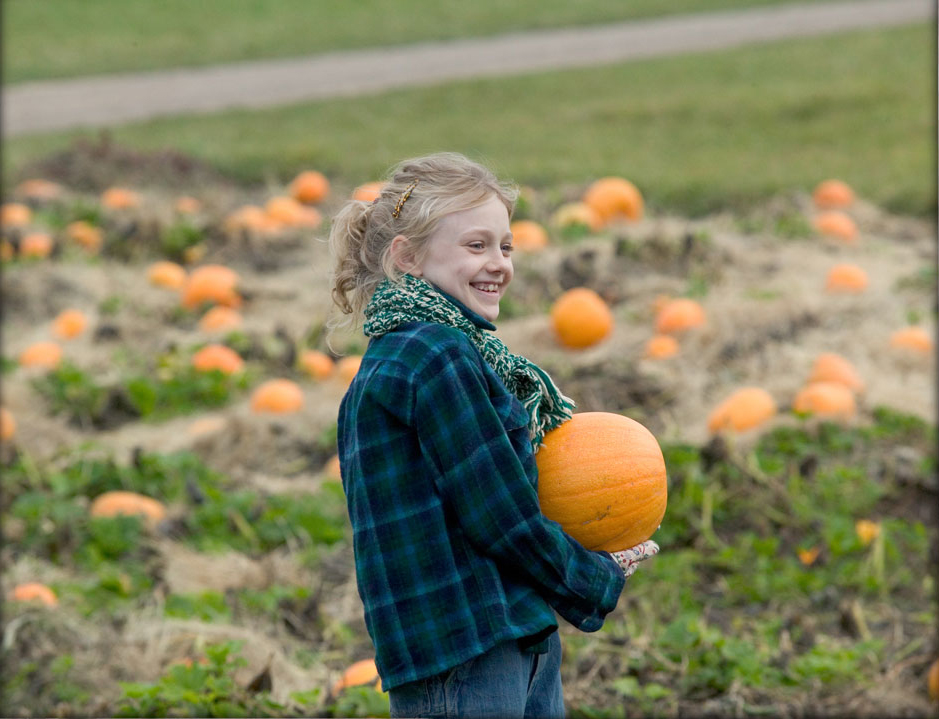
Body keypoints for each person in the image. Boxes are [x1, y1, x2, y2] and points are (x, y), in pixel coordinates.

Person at [328, 152, 659, 719]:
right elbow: (500, 516)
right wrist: (592, 576)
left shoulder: (415, 355)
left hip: (501, 637)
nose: (498, 263)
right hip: (469, 654)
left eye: (505, 246)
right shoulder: (434, 356)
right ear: (407, 257)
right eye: (476, 246)